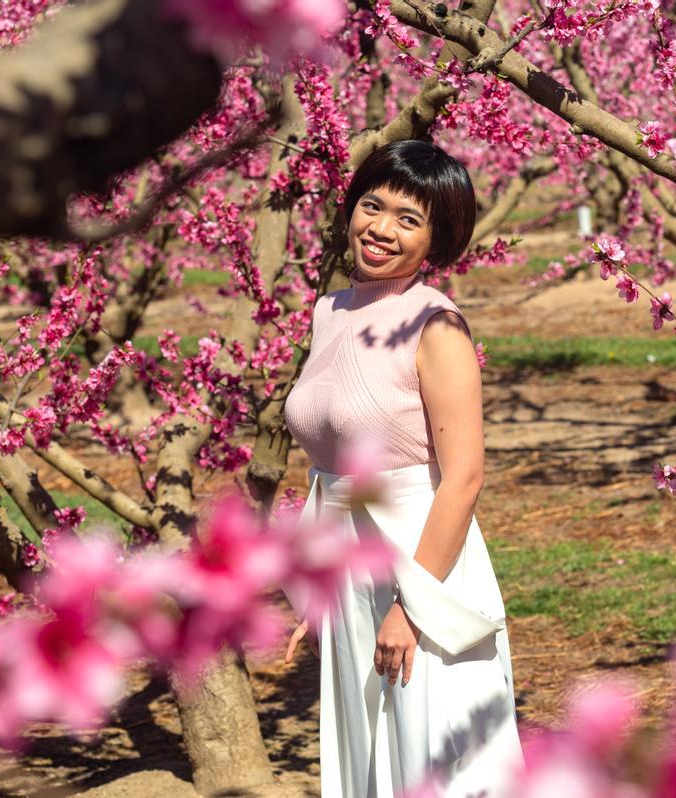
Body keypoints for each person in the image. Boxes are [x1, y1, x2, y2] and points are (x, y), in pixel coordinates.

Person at [281, 140, 522, 797]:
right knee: (368, 752)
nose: (381, 229)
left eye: (408, 220)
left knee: (430, 755)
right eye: (372, 206)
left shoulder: (436, 327)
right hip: (351, 570)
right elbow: (329, 462)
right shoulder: (328, 312)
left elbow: (464, 477)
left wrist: (411, 607)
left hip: (424, 561)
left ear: (437, 240)